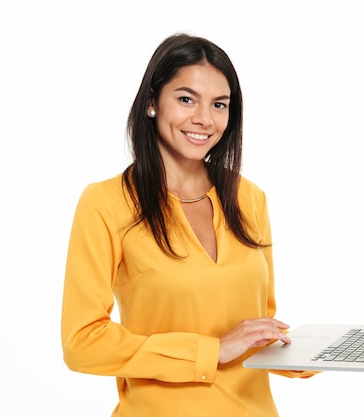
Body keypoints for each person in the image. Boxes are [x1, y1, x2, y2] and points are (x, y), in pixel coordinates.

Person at [61, 33, 313, 416]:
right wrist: (210, 351)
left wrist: (309, 354)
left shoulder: (249, 197)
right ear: (151, 102)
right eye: (185, 99)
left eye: (219, 104)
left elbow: (256, 330)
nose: (204, 119)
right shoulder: (106, 203)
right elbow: (83, 342)